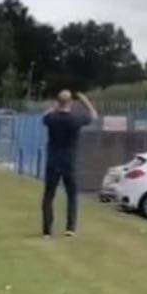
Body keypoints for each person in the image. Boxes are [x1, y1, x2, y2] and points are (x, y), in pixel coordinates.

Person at [42, 89, 97, 237]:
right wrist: (86, 101)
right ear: (71, 103)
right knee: (72, 195)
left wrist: (54, 107)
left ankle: (47, 230)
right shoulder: (75, 119)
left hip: (53, 160)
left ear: (58, 102)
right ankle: (70, 228)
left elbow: (44, 116)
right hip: (69, 160)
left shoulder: (52, 118)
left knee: (49, 195)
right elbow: (93, 116)